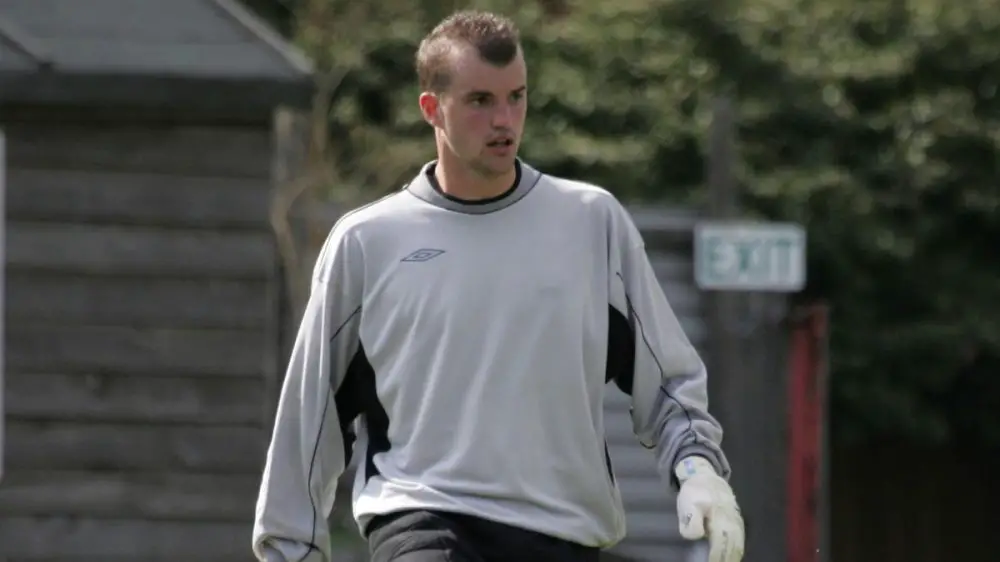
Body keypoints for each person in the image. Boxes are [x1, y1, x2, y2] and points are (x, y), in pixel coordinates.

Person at [252, 9, 744, 562]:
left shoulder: (593, 224)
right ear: (433, 110)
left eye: (517, 97)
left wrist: (698, 469)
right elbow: (309, 417)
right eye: (481, 101)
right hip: (423, 522)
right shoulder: (367, 242)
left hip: (566, 532)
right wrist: (290, 550)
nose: (505, 119)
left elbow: (669, 382)